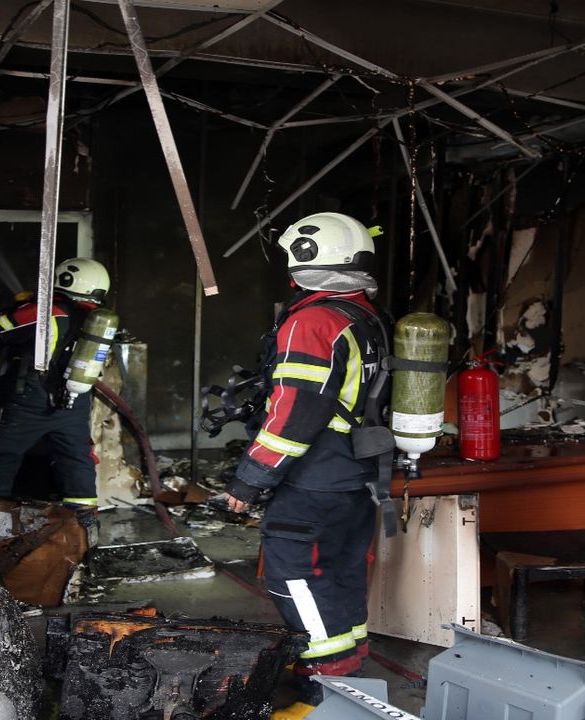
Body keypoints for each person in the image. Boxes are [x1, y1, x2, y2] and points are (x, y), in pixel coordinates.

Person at [223, 212, 388, 720]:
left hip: (314, 481)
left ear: (304, 261)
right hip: (356, 476)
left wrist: (249, 480)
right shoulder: (364, 315)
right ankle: (350, 669)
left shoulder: (313, 322)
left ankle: (326, 689)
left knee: (294, 575)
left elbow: (294, 415)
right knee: (338, 574)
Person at [0, 258, 109, 520]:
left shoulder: (49, 311)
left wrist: (22, 307)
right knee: (77, 457)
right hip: (76, 400)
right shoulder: (98, 320)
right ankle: (84, 524)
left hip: (34, 399)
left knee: (1, 453)